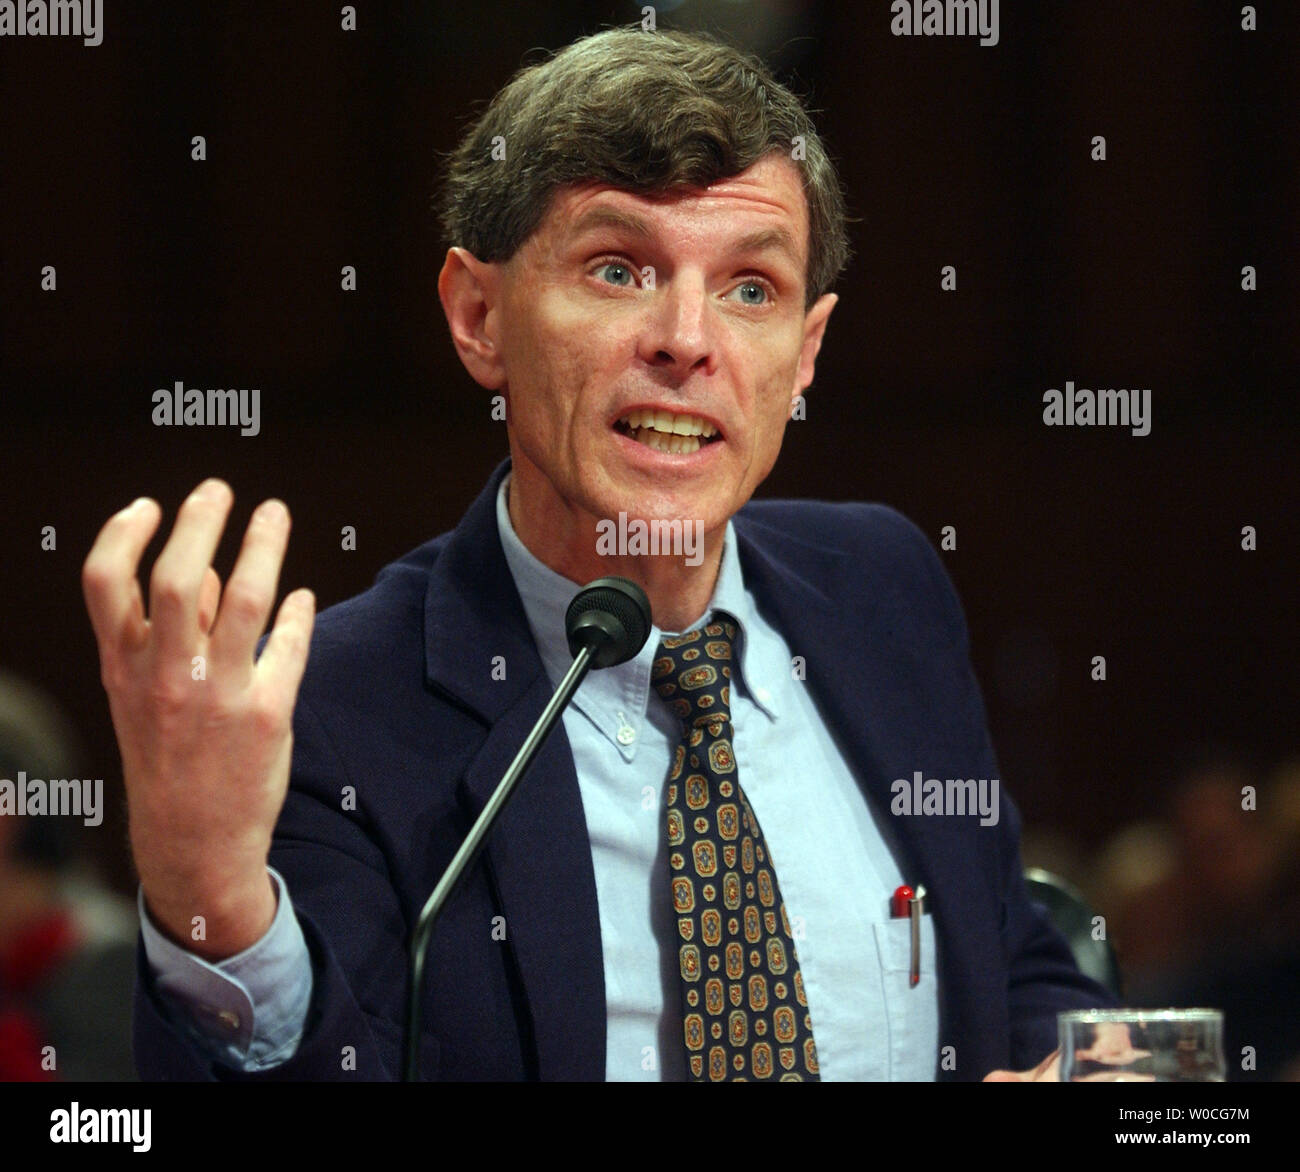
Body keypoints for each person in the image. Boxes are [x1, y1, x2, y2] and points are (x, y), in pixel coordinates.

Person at [81, 26, 1113, 1082]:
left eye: (750, 288)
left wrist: (1090, 1070)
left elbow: (1014, 959)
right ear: (477, 315)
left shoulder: (881, 589)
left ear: (805, 353)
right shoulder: (337, 710)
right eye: (618, 269)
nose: (683, 337)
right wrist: (208, 895)